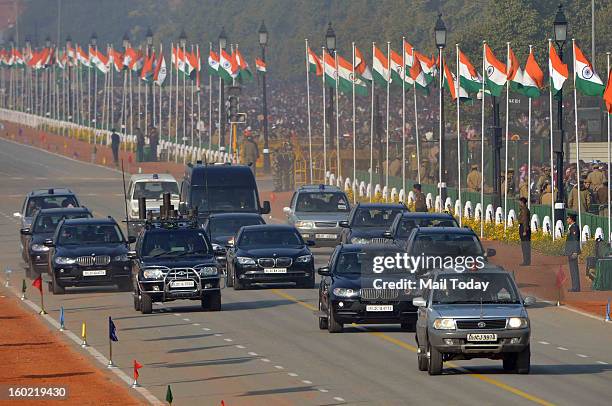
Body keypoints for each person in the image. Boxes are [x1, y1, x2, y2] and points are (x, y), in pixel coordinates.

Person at [564, 213, 581, 292]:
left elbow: (575, 240)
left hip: (572, 252)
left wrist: (575, 252)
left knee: (574, 270)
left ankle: (576, 287)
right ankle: (575, 286)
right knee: (572, 269)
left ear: (571, 219)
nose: (567, 220)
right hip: (570, 251)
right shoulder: (571, 227)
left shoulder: (574, 228)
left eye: (568, 218)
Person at [517, 197, 531, 266]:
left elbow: (525, 220)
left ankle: (526, 261)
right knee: (524, 245)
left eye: (519, 202)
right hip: (523, 227)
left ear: (522, 202)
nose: (518, 203)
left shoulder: (524, 210)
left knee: (525, 246)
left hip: (524, 227)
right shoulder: (523, 209)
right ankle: (526, 260)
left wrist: (525, 230)